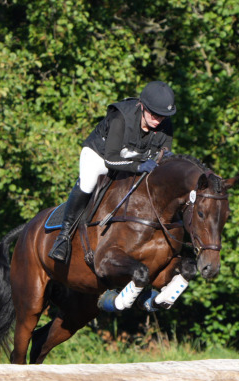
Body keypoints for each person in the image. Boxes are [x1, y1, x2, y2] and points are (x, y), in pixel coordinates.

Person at [49, 80, 177, 263]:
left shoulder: (165, 123)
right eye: (155, 114)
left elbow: (165, 154)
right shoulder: (121, 118)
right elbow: (111, 159)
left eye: (163, 116)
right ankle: (64, 236)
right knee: (88, 182)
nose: (159, 120)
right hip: (100, 156)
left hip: (133, 160)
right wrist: (140, 167)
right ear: (142, 106)